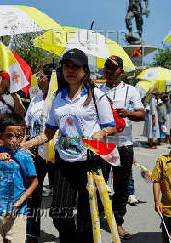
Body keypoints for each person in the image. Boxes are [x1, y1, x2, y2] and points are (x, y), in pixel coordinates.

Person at [23, 49, 116, 243]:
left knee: (86, 219)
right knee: (60, 216)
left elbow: (111, 127)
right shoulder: (58, 97)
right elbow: (49, 132)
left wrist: (101, 133)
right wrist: (28, 143)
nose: (70, 70)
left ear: (85, 70)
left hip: (90, 162)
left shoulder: (96, 95)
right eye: (67, 66)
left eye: (75, 67)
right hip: (64, 163)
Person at [100, 55, 145, 240]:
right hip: (102, 146)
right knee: (98, 185)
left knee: (121, 188)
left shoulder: (131, 91)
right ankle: (98, 215)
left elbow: (141, 114)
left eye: (113, 68)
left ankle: (118, 222)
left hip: (124, 146)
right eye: (106, 68)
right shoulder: (96, 91)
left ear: (121, 71)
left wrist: (127, 113)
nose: (109, 71)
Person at [0, 113, 38, 243]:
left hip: (17, 211)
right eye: (9, 135)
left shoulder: (25, 156)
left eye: (18, 136)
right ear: (0, 135)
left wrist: (21, 200)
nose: (14, 140)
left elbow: (34, 182)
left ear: (23, 135)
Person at [25, 63, 57, 243]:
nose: (38, 80)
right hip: (37, 152)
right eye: (37, 76)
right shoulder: (36, 99)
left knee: (60, 197)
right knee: (33, 194)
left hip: (57, 154)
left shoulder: (60, 98)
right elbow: (28, 124)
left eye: (41, 76)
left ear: (52, 79)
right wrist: (27, 145)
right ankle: (32, 234)